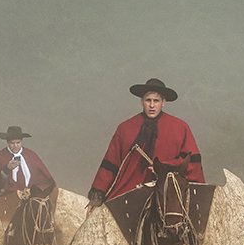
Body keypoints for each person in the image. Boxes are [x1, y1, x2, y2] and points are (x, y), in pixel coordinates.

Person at [87, 77, 204, 209]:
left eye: (156, 101)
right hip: (128, 193)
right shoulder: (125, 128)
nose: (152, 105)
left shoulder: (180, 127)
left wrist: (164, 166)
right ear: (141, 102)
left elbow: (191, 164)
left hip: (167, 196)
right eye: (148, 100)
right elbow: (111, 163)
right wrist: (97, 195)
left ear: (163, 102)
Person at [0, 126, 56, 198]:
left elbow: (44, 177)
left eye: (18, 142)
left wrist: (33, 190)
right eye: (12, 143)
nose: (15, 146)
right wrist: (6, 169)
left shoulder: (31, 155)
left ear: (22, 141)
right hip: (8, 197)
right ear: (7, 142)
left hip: (32, 196)